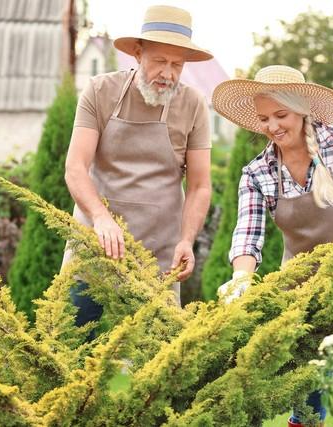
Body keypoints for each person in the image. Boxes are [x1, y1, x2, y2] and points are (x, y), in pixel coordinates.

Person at [212, 65, 333, 427]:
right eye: (264, 119)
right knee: (305, 359)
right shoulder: (257, 172)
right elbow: (248, 233)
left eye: (281, 115)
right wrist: (240, 278)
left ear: (302, 110)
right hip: (305, 274)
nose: (273, 126)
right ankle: (307, 422)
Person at [63, 5, 213, 327]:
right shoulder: (100, 91)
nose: (168, 74)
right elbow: (76, 167)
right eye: (160, 61)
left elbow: (200, 186)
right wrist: (101, 218)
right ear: (137, 53)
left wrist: (186, 240)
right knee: (69, 348)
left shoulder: (193, 104)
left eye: (177, 64)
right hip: (95, 247)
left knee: (156, 364)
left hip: (159, 257)